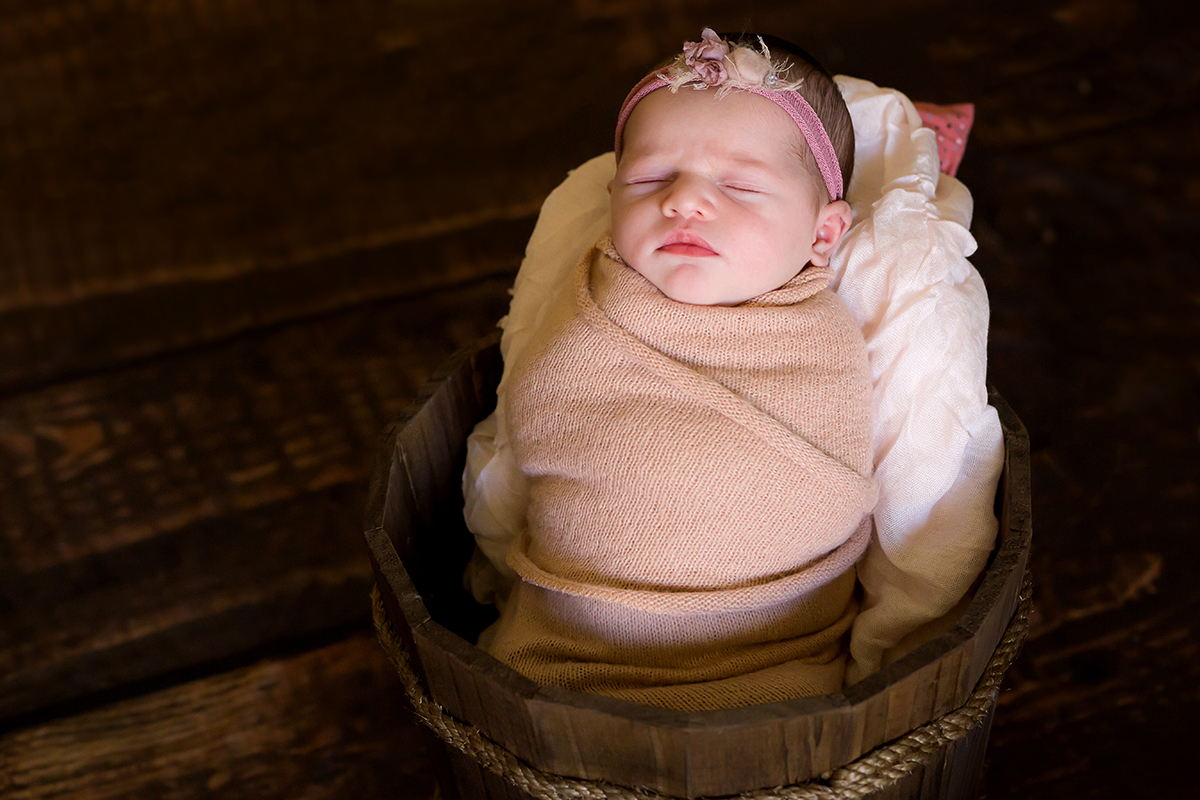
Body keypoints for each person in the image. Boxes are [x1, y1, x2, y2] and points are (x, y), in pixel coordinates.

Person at [477, 29, 878, 711]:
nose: (684, 201)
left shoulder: (820, 343)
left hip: (775, 666)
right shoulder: (597, 304)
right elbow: (543, 408)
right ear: (612, 196)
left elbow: (841, 478)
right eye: (650, 178)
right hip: (566, 655)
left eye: (740, 185)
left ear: (822, 234)